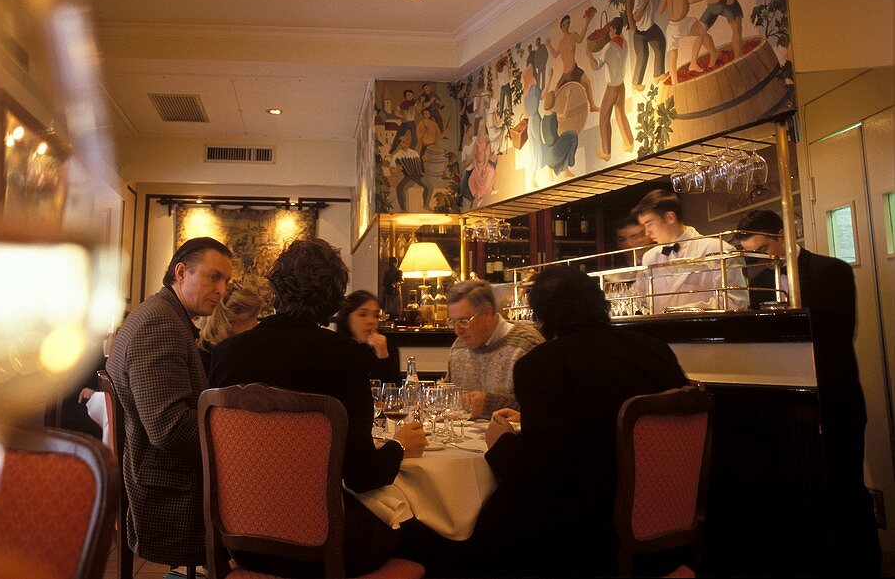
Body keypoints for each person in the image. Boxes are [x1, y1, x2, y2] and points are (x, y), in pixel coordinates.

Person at [210, 239, 427, 577]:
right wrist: (399, 445)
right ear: (333, 298)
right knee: (422, 526)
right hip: (327, 547)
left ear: (277, 289)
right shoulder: (344, 357)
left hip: (243, 542)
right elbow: (363, 476)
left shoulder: (227, 353)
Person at [469, 266, 689, 577]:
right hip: (668, 533)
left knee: (477, 529)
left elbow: (540, 474)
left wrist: (501, 442)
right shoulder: (655, 349)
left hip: (586, 543)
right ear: (600, 303)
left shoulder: (543, 363)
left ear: (540, 315)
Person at [736, 210, 880, 575]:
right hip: (790, 400)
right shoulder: (760, 281)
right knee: (803, 492)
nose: (765, 258)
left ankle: (864, 565)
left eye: (766, 248)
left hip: (835, 391)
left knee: (845, 484)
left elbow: (835, 334)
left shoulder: (831, 271)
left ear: (783, 235)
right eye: (757, 253)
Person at [105, 237, 233, 571]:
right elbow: (169, 429)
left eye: (226, 282)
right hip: (168, 496)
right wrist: (238, 436)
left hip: (161, 478)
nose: (221, 290)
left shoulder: (161, 314)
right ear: (181, 272)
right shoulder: (160, 324)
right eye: (213, 277)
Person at [634, 189, 747, 312]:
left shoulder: (719, 249)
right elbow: (641, 301)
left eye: (649, 224)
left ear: (670, 217)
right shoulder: (649, 257)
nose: (647, 232)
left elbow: (735, 302)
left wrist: (681, 311)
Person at [444, 279, 543, 418]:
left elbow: (544, 408)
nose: (457, 330)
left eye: (464, 321)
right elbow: (449, 403)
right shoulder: (459, 347)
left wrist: (489, 405)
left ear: (487, 312)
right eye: (453, 322)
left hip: (512, 437)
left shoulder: (525, 346)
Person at [585, 15, 634, 160]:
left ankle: (606, 152)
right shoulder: (623, 43)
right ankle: (629, 143)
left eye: (610, 29)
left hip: (612, 87)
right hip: (621, 85)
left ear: (613, 29)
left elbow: (595, 66)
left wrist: (589, 55)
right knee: (620, 114)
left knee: (603, 118)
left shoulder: (609, 47)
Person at [659, 0, 713, 87]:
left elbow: (661, 10)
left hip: (672, 26)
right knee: (702, 30)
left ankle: (676, 83)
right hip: (682, 23)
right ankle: (694, 62)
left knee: (673, 58)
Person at [336, 289, 399, 385]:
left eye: (375, 316)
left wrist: (383, 356)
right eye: (362, 314)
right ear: (347, 319)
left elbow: (392, 391)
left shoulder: (387, 345)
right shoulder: (337, 348)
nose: (371, 321)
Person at [197, 282, 263, 374]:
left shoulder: (244, 350)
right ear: (228, 322)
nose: (257, 324)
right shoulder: (201, 361)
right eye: (250, 319)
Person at [545, 12, 601, 114]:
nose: (567, 26)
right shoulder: (561, 43)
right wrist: (549, 46)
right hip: (565, 74)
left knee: (587, 83)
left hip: (574, 69)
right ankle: (553, 115)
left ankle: (592, 106)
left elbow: (580, 39)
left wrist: (587, 22)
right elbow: (555, 55)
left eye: (568, 24)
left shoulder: (573, 36)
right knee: (555, 93)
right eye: (564, 25)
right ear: (561, 27)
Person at [625, 0, 668, 91]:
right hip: (640, 32)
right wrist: (646, 1)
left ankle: (658, 74)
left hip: (651, 26)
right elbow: (636, 17)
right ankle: (636, 83)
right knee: (643, 56)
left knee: (660, 45)